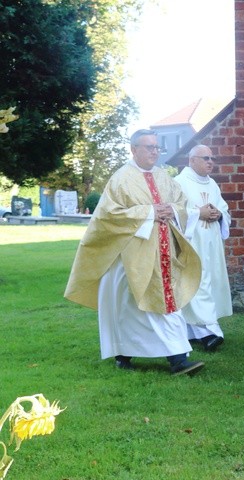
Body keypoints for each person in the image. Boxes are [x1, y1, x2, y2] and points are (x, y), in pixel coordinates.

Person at [65, 129, 205, 376]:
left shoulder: (164, 178)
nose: (154, 151)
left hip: (163, 253)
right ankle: (134, 355)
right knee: (131, 307)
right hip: (130, 257)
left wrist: (171, 210)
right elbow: (108, 216)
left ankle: (176, 357)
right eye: (148, 147)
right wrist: (150, 212)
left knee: (162, 303)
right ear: (134, 149)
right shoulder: (121, 179)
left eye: (156, 147)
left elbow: (181, 205)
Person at [174, 145, 233, 352]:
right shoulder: (179, 182)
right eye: (205, 158)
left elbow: (223, 207)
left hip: (211, 241)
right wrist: (197, 213)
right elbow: (174, 211)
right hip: (192, 241)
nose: (210, 162)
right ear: (192, 160)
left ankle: (192, 332)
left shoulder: (213, 184)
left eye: (212, 158)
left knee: (210, 280)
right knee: (198, 282)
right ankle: (211, 331)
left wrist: (219, 214)